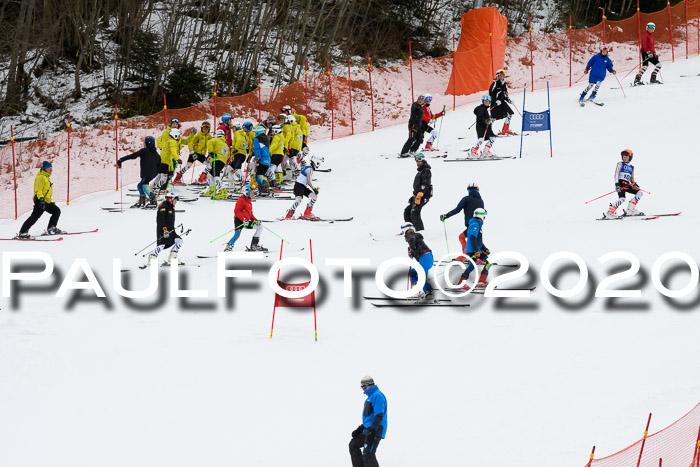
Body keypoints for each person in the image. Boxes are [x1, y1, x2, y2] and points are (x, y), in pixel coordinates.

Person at [16, 161, 63, 238]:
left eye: (51, 168)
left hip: (46, 201)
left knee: (56, 211)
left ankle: (51, 228)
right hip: (40, 201)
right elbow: (38, 189)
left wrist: (48, 201)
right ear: (45, 169)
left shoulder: (46, 177)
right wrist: (41, 199)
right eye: (49, 168)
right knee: (34, 216)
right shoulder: (40, 177)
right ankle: (23, 232)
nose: (51, 170)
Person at [349, 376, 387, 467]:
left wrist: (372, 431)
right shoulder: (369, 398)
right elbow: (369, 418)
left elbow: (379, 415)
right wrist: (361, 428)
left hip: (375, 430)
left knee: (368, 453)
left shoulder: (378, 396)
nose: (363, 390)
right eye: (362, 388)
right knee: (353, 445)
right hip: (368, 430)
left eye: (364, 387)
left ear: (371, 385)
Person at [440, 183, 485, 258]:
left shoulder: (466, 199)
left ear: (469, 190)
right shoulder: (481, 201)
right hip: (479, 224)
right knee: (476, 239)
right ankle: (480, 256)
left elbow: (457, 210)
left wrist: (446, 216)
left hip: (471, 224)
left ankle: (466, 255)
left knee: (463, 237)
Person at [117, 135, 161, 208]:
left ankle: (153, 200)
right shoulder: (156, 154)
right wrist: (155, 173)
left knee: (144, 185)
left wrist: (121, 160)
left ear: (146, 143)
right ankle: (142, 201)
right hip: (152, 174)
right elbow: (159, 166)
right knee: (140, 185)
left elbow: (133, 155)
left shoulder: (144, 151)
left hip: (146, 173)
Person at [224, 184, 268, 252]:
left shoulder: (249, 202)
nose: (253, 194)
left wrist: (256, 221)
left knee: (259, 227)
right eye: (251, 192)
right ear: (246, 192)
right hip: (239, 220)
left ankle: (254, 245)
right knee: (237, 234)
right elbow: (237, 211)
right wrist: (243, 220)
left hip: (246, 221)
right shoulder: (241, 200)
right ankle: (229, 247)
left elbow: (250, 215)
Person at [456, 208, 491, 290]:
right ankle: (463, 283)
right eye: (484, 217)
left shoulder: (477, 224)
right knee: (480, 264)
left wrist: (484, 249)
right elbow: (472, 238)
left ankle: (480, 282)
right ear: (481, 216)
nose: (484, 219)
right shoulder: (475, 224)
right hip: (473, 250)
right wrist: (475, 251)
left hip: (476, 249)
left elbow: (478, 241)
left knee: (485, 263)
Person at [604, 149, 644, 218]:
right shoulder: (620, 164)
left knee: (639, 192)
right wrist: (617, 184)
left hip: (628, 184)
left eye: (626, 156)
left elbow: (631, 178)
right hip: (621, 183)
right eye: (623, 156)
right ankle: (610, 212)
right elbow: (616, 174)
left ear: (630, 157)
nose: (624, 158)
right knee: (622, 199)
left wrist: (634, 184)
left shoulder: (632, 167)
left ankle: (630, 210)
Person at [145, 193, 183, 266]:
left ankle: (172, 258)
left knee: (179, 241)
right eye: (175, 200)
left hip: (171, 231)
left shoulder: (171, 207)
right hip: (163, 230)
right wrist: (165, 230)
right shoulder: (164, 207)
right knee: (162, 245)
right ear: (170, 200)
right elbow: (160, 220)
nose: (176, 202)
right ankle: (152, 258)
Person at [401, 223, 434, 301]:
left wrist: (411, 248)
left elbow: (412, 239)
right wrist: (411, 251)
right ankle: (418, 287)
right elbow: (416, 244)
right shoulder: (416, 236)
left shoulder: (410, 236)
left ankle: (428, 292)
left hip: (424, 257)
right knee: (411, 273)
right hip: (428, 257)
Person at [284, 155, 323, 220]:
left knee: (314, 197)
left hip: (303, 186)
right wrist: (314, 189)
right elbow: (309, 181)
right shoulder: (309, 169)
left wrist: (314, 189)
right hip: (299, 186)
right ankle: (289, 215)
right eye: (319, 164)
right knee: (298, 200)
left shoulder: (309, 168)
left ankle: (307, 213)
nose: (319, 166)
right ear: (316, 162)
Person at [403, 153, 432, 231]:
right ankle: (409, 229)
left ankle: (420, 231)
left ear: (423, 161)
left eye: (419, 161)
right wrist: (414, 196)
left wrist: (420, 194)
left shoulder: (426, 170)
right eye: (417, 161)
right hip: (418, 196)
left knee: (415, 213)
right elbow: (418, 186)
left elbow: (426, 183)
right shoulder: (421, 171)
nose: (418, 163)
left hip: (423, 196)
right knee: (407, 211)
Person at [151, 127, 182, 196]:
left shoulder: (169, 141)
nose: (180, 137)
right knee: (164, 178)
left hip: (162, 161)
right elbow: (173, 151)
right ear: (175, 135)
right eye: (179, 135)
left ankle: (151, 188)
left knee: (159, 176)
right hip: (165, 162)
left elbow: (168, 154)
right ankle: (159, 189)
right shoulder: (173, 142)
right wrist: (178, 159)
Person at [204, 129, 230, 199]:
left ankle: (223, 190)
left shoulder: (215, 140)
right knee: (210, 174)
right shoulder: (225, 144)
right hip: (222, 161)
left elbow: (209, 142)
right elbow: (228, 155)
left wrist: (211, 152)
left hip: (216, 160)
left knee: (216, 175)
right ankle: (212, 190)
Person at [489, 69, 516, 135]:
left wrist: (509, 100)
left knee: (510, 113)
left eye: (502, 76)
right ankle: (487, 131)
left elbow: (505, 94)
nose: (501, 77)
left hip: (502, 103)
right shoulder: (495, 84)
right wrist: (496, 101)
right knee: (493, 117)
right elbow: (490, 94)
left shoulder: (504, 84)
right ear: (497, 76)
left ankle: (505, 129)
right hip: (495, 103)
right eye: (500, 76)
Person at [252, 125, 272, 195]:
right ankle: (262, 189)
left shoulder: (256, 139)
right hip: (267, 160)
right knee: (260, 175)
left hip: (262, 160)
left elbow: (257, 149)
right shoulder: (266, 139)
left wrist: (257, 157)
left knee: (259, 175)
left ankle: (265, 187)